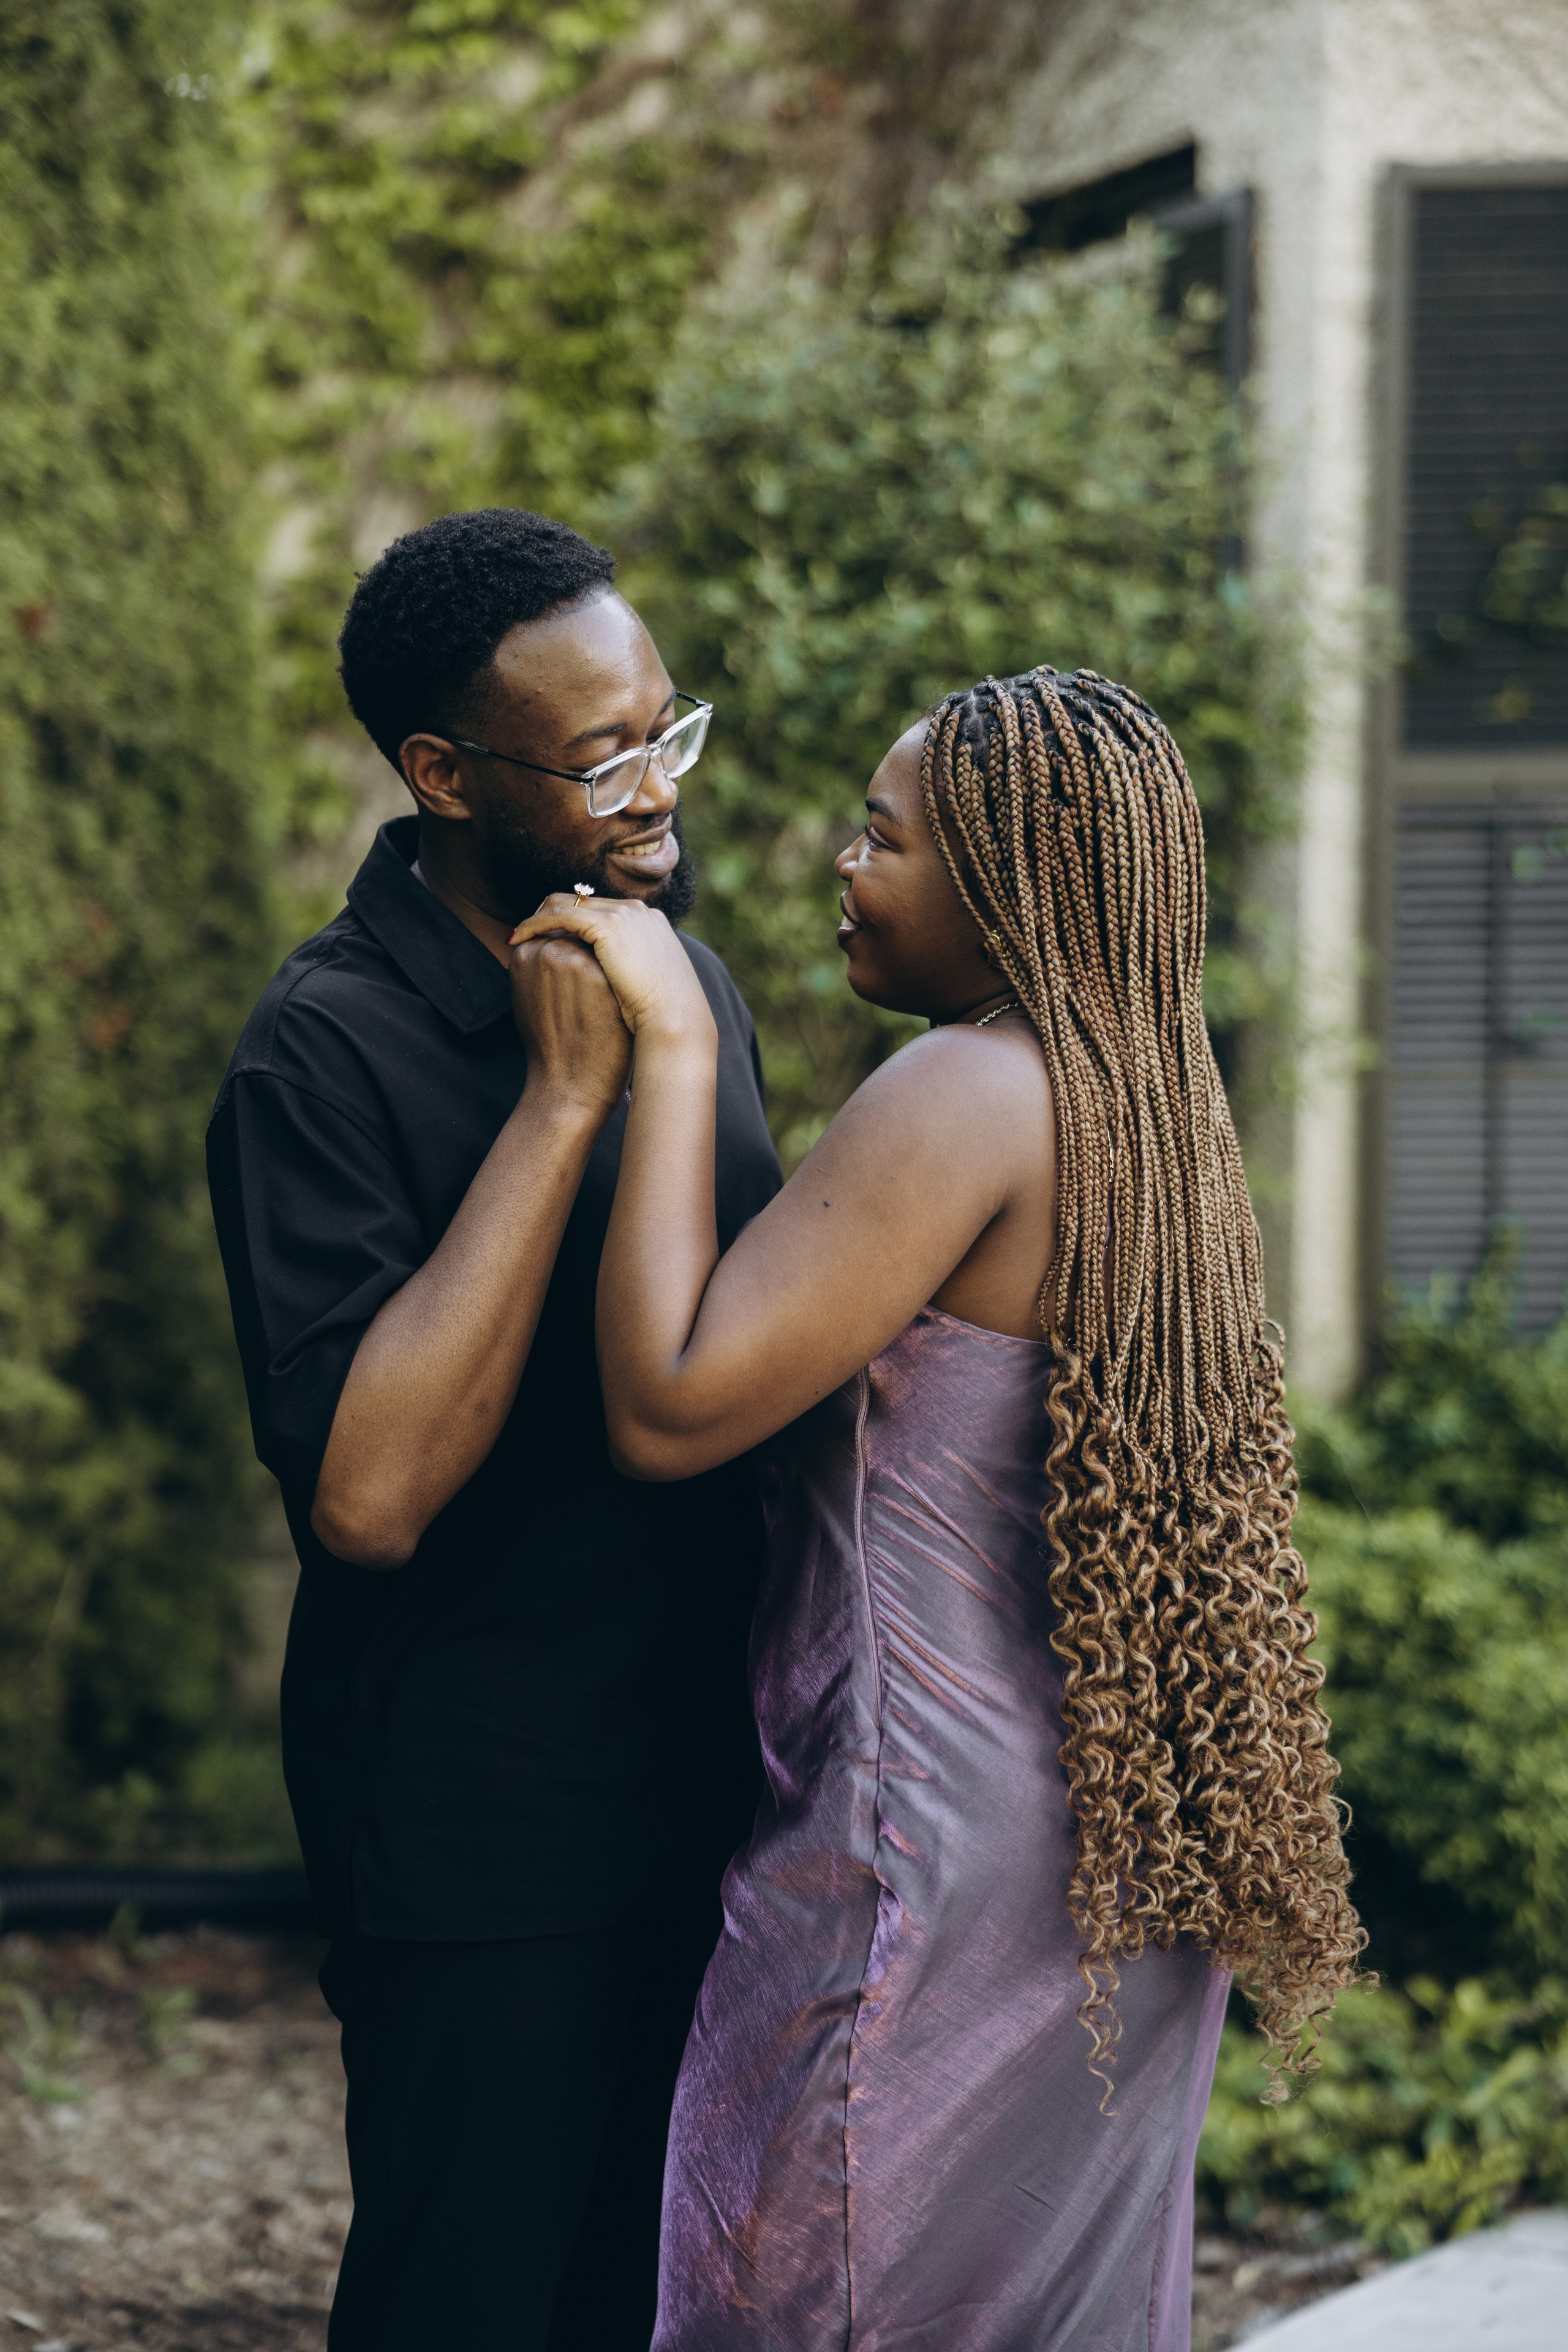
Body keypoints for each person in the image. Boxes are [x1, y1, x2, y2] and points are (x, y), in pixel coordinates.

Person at [515, 666, 1365, 2352]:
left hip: (922, 1853)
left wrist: (671, 1039)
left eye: (883, 838)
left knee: (822, 2289)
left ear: (1001, 884)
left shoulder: (965, 1091)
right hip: (1106, 1830)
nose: (846, 863)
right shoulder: (1144, 1102)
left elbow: (672, 1406)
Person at [205, 508, 781, 2351]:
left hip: (725, 1775)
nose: (653, 790)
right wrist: (557, 1108)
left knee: (658, 2296)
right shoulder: (326, 1047)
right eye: (602, 754)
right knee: (477, 2299)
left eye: (666, 731)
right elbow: (365, 1500)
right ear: (441, 773)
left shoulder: (685, 971)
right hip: (485, 1820)